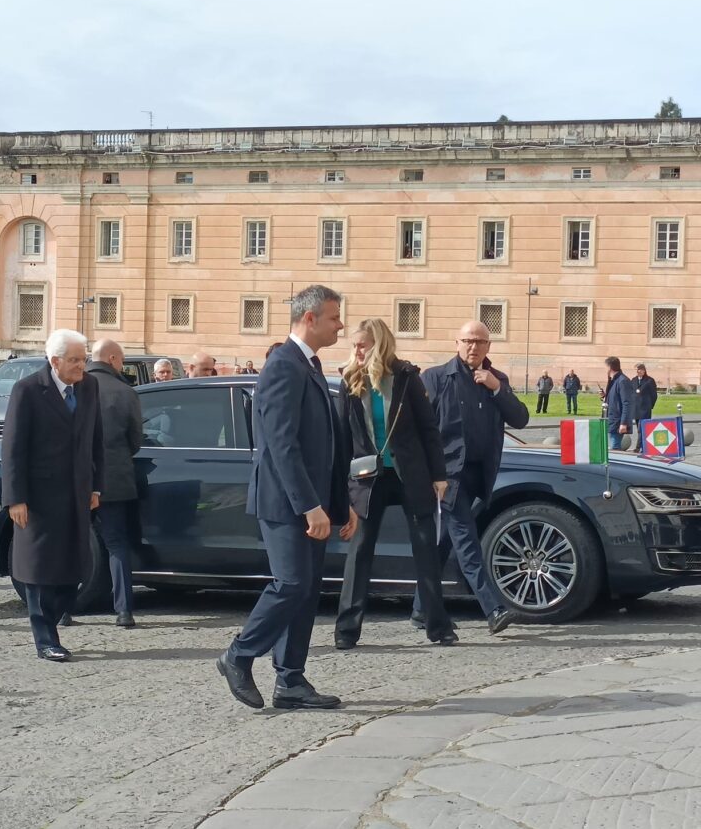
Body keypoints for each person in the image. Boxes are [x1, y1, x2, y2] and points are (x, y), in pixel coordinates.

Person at [216, 285, 358, 711]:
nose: (341, 325)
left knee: (306, 590)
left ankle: (291, 680)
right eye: (334, 317)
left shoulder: (308, 365)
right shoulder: (283, 365)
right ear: (310, 318)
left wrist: (337, 503)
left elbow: (325, 444)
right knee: (291, 583)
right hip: (287, 504)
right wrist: (309, 506)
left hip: (311, 503)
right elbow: (282, 445)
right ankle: (238, 655)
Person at [334, 319, 454, 649]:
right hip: (366, 476)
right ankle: (346, 630)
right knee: (359, 552)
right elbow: (342, 439)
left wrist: (439, 476)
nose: (356, 350)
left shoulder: (405, 377)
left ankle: (437, 626)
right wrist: (341, 489)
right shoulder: (348, 381)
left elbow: (429, 429)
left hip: (409, 473)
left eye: (362, 344)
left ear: (379, 344)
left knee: (425, 549)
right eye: (354, 345)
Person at [415, 320, 529, 636]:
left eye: (479, 341)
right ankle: (493, 608)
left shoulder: (496, 379)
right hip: (447, 476)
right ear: (457, 343)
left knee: (443, 543)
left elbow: (520, 419)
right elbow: (420, 427)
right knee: (466, 541)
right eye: (467, 340)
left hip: (479, 474)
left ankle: (420, 608)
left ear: (488, 346)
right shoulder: (436, 378)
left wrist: (497, 389)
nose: (473, 347)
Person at [1, 329, 103, 661]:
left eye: (84, 358)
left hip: (76, 493)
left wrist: (96, 485)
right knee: (38, 569)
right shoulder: (28, 390)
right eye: (75, 360)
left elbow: (95, 438)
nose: (81, 365)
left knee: (75, 568)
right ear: (55, 361)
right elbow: (13, 448)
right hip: (39, 497)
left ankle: (54, 618)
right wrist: (15, 498)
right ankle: (45, 637)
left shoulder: (89, 387)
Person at [87, 339, 143, 628]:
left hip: (78, 479)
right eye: (121, 361)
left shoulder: (73, 388)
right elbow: (135, 440)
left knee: (71, 543)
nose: (122, 366)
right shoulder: (124, 392)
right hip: (115, 479)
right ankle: (124, 611)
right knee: (117, 545)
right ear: (111, 359)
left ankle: (61, 610)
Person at [604, 356, 634, 450]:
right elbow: (615, 400)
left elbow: (627, 403)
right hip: (612, 420)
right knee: (613, 448)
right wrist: (605, 396)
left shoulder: (622, 381)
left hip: (618, 421)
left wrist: (624, 423)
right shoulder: (614, 380)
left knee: (615, 448)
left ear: (609, 367)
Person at [632, 363, 659, 450]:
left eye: (640, 369)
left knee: (642, 428)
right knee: (639, 429)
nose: (638, 371)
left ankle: (638, 447)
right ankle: (644, 446)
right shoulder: (633, 380)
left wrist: (650, 405)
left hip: (645, 409)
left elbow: (654, 395)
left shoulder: (649, 381)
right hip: (636, 409)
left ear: (644, 370)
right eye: (637, 370)